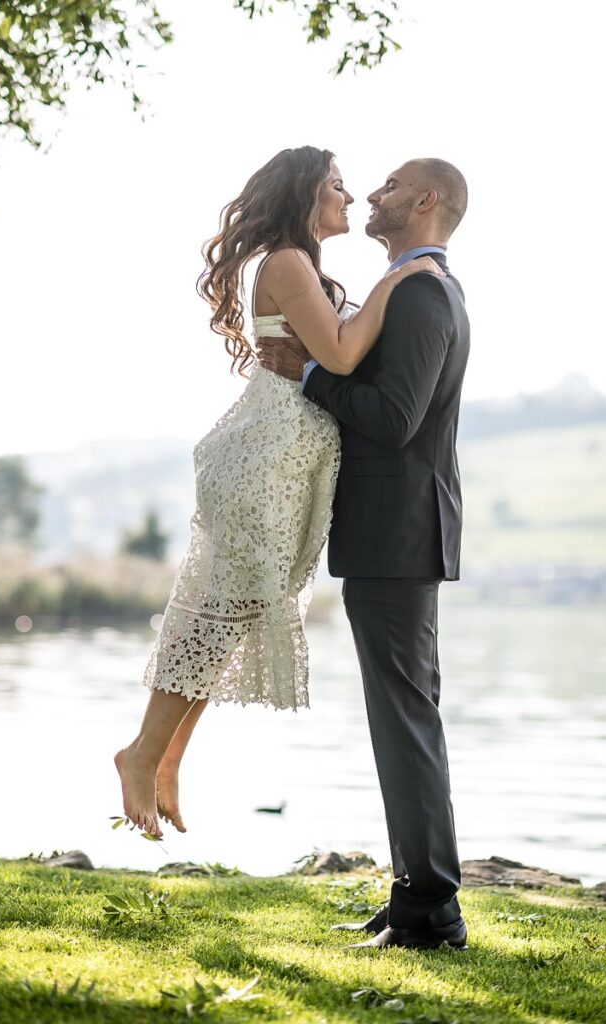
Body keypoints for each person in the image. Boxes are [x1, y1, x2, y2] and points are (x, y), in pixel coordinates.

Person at [113, 147, 441, 841]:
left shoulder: (304, 267)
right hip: (264, 456)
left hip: (288, 461)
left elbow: (339, 353)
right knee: (220, 610)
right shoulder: (288, 262)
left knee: (232, 612)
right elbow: (342, 355)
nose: (349, 197)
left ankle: (163, 758)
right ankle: (142, 754)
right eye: (336, 186)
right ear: (304, 196)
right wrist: (397, 277)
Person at [256, 158, 471, 951]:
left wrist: (309, 373)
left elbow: (393, 417)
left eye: (389, 186)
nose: (372, 195)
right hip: (396, 534)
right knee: (403, 718)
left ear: (425, 200)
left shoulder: (420, 293)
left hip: (396, 534)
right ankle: (416, 896)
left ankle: (429, 911)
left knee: (404, 720)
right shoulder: (419, 287)